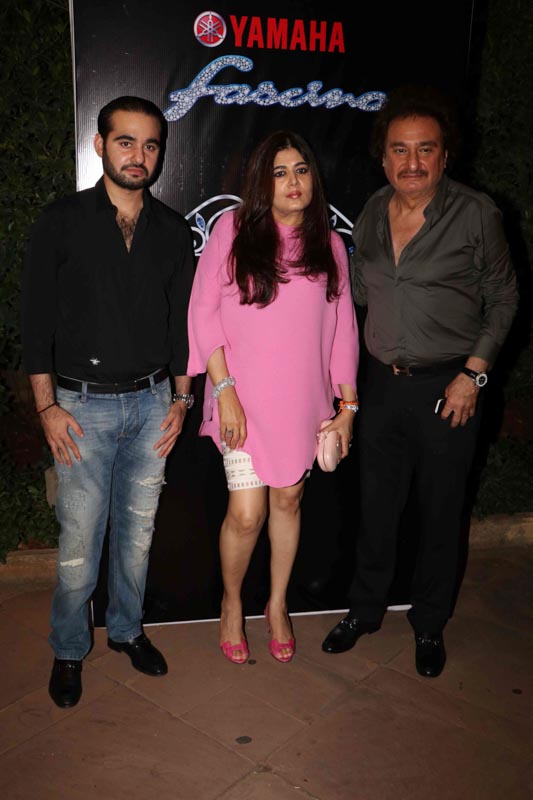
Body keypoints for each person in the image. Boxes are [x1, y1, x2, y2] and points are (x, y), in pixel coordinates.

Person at [322, 85, 518, 677]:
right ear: (383, 158)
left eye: (424, 149)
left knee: (440, 512)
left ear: (444, 155)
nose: (412, 162)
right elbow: (356, 292)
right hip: (381, 385)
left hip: (448, 387)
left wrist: (472, 376)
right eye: (399, 150)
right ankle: (365, 610)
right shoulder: (372, 211)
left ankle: (429, 623)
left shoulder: (476, 213)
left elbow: (505, 298)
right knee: (376, 507)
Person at [21, 96, 195, 707]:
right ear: (100, 145)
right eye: (126, 141)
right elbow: (35, 321)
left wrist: (182, 400)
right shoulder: (61, 221)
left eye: (150, 145)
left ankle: (125, 631)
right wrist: (47, 408)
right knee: (79, 542)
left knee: (137, 536)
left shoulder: (173, 231)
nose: (138, 155)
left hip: (153, 405)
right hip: (81, 409)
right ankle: (70, 648)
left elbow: (183, 327)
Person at [187, 130, 359, 664]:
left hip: (303, 402)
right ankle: (232, 603)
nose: (292, 181)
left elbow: (343, 330)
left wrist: (348, 409)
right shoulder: (232, 230)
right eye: (280, 172)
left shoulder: (330, 245)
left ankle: (278, 604)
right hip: (239, 397)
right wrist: (224, 391)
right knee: (246, 514)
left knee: (288, 501)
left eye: (301, 170)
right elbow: (203, 313)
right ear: (263, 181)